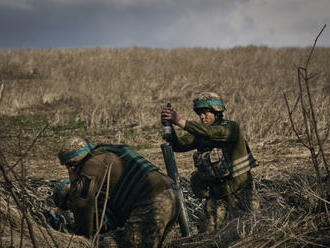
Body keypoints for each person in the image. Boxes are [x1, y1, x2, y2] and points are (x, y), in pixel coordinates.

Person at [53, 137, 180, 248]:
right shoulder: (110, 151)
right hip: (171, 193)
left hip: (152, 201)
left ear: (72, 164)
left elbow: (82, 202)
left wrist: (82, 239)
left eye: (69, 166)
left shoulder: (91, 165)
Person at [161, 92, 259, 233]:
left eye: (206, 113)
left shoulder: (231, 128)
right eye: (200, 114)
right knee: (208, 234)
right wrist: (168, 127)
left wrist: (180, 121)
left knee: (247, 232)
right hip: (217, 195)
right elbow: (178, 146)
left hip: (241, 192)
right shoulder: (200, 133)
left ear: (217, 112)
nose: (202, 117)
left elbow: (212, 133)